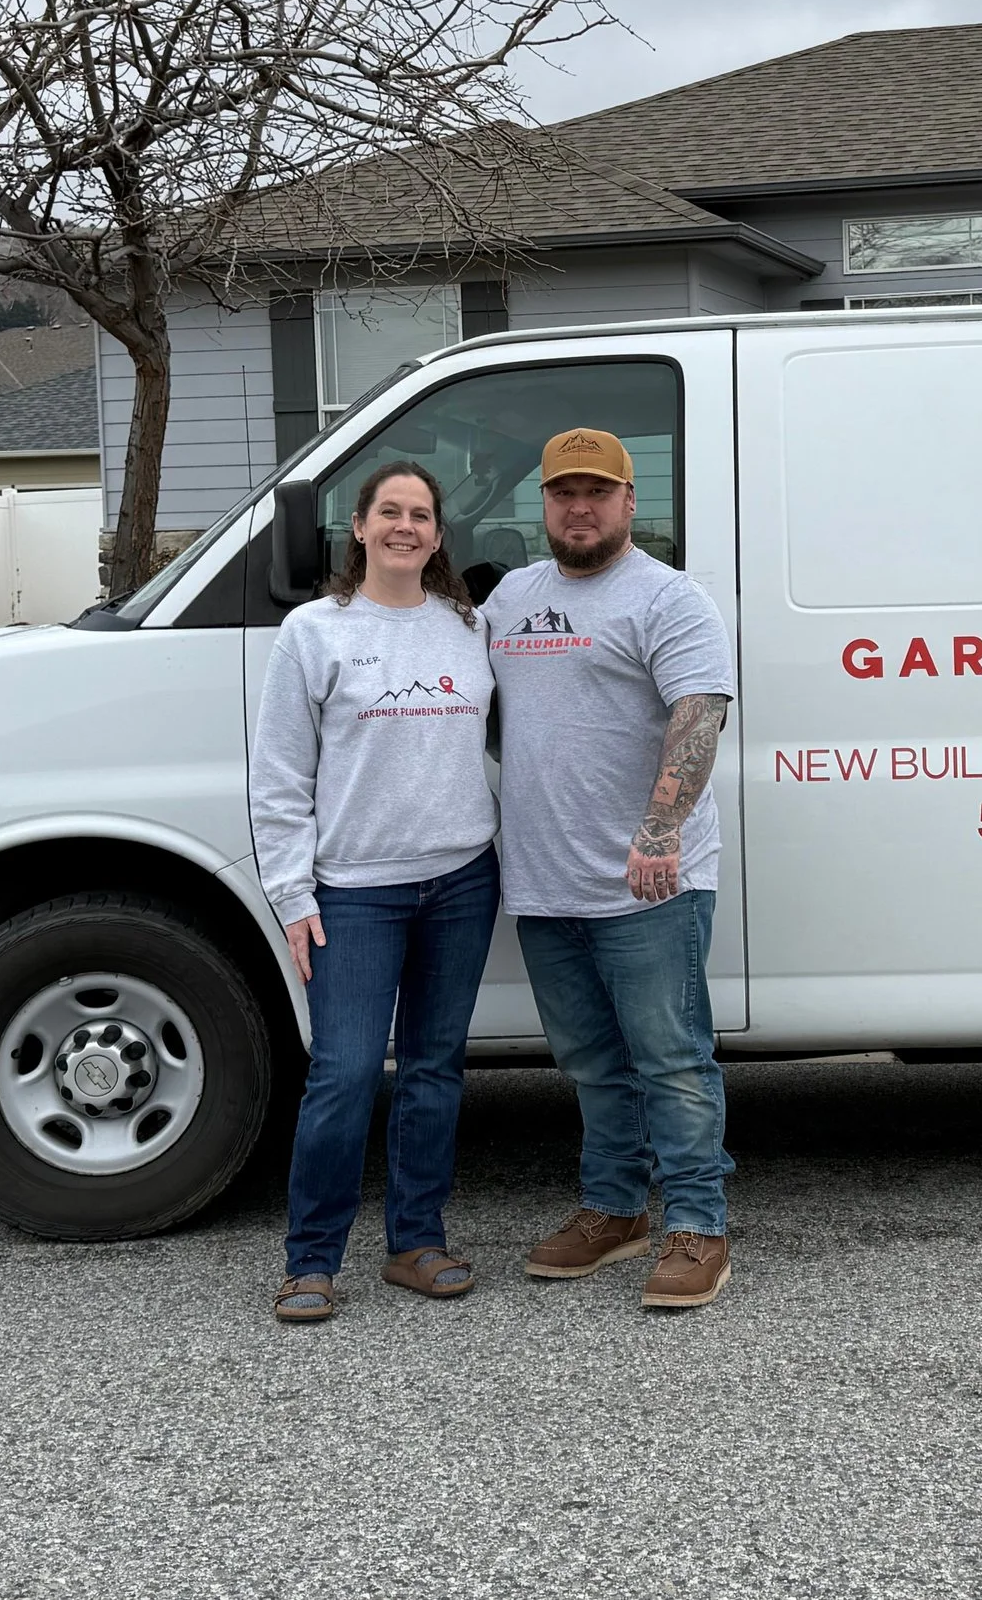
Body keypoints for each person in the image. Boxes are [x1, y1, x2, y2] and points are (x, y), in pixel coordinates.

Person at [486, 427, 738, 1310]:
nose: (580, 507)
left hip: (648, 881)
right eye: (564, 492)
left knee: (671, 1058)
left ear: (633, 503)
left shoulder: (668, 599)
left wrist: (660, 829)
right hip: (546, 881)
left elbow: (701, 713)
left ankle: (699, 1224)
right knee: (591, 1059)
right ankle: (614, 1208)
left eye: (598, 491)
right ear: (544, 503)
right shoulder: (512, 597)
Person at [251, 460, 498, 1323]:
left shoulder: (469, 628)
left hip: (463, 879)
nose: (405, 526)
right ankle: (311, 1259)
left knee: (434, 1070)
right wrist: (293, 896)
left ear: (437, 535)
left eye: (420, 514)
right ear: (357, 528)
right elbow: (279, 777)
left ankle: (416, 1242)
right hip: (353, 891)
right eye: (388, 511)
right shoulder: (315, 632)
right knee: (346, 1071)